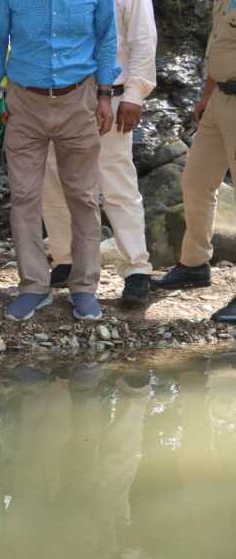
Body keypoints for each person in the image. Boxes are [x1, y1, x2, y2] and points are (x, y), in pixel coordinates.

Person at [0, 0, 120, 322]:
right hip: (23, 102)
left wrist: (104, 95)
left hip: (79, 98)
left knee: (83, 197)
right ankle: (33, 286)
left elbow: (106, 38)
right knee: (24, 197)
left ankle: (84, 287)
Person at [43, 0, 158, 308]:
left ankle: (136, 268)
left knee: (117, 183)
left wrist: (135, 95)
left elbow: (143, 40)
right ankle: (66, 258)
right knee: (53, 178)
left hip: (114, 96)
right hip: (59, 94)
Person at [154, 0, 236, 323]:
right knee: (196, 179)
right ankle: (194, 264)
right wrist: (205, 96)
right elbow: (219, 49)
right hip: (218, 100)